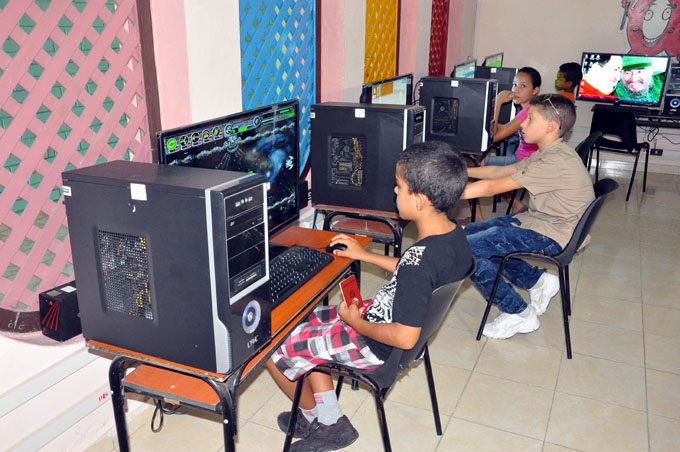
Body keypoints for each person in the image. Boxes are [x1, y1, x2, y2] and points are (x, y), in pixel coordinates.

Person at [266, 141, 474, 451]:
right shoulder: (453, 237)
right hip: (383, 326)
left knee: (272, 344)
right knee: (301, 318)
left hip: (376, 345)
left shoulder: (418, 263)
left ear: (419, 201)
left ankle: (323, 423)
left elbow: (404, 336)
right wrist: (365, 255)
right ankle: (326, 413)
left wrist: (355, 322)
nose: (394, 191)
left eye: (399, 187)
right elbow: (417, 272)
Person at [461, 94, 594, 339]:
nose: (522, 123)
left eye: (530, 119)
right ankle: (538, 280)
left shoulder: (554, 162)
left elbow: (492, 188)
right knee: (464, 237)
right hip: (542, 222)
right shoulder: (550, 152)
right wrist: (460, 171)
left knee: (466, 250)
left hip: (555, 234)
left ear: (551, 126)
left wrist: (441, 192)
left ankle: (518, 313)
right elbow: (499, 171)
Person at [477, 67, 541, 218]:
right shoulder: (530, 109)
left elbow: (494, 137)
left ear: (535, 90)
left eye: (523, 86)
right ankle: (516, 204)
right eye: (514, 85)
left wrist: (498, 102)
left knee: (477, 164)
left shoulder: (526, 112)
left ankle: (477, 217)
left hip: (522, 162)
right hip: (528, 159)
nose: (516, 90)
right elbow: (506, 127)